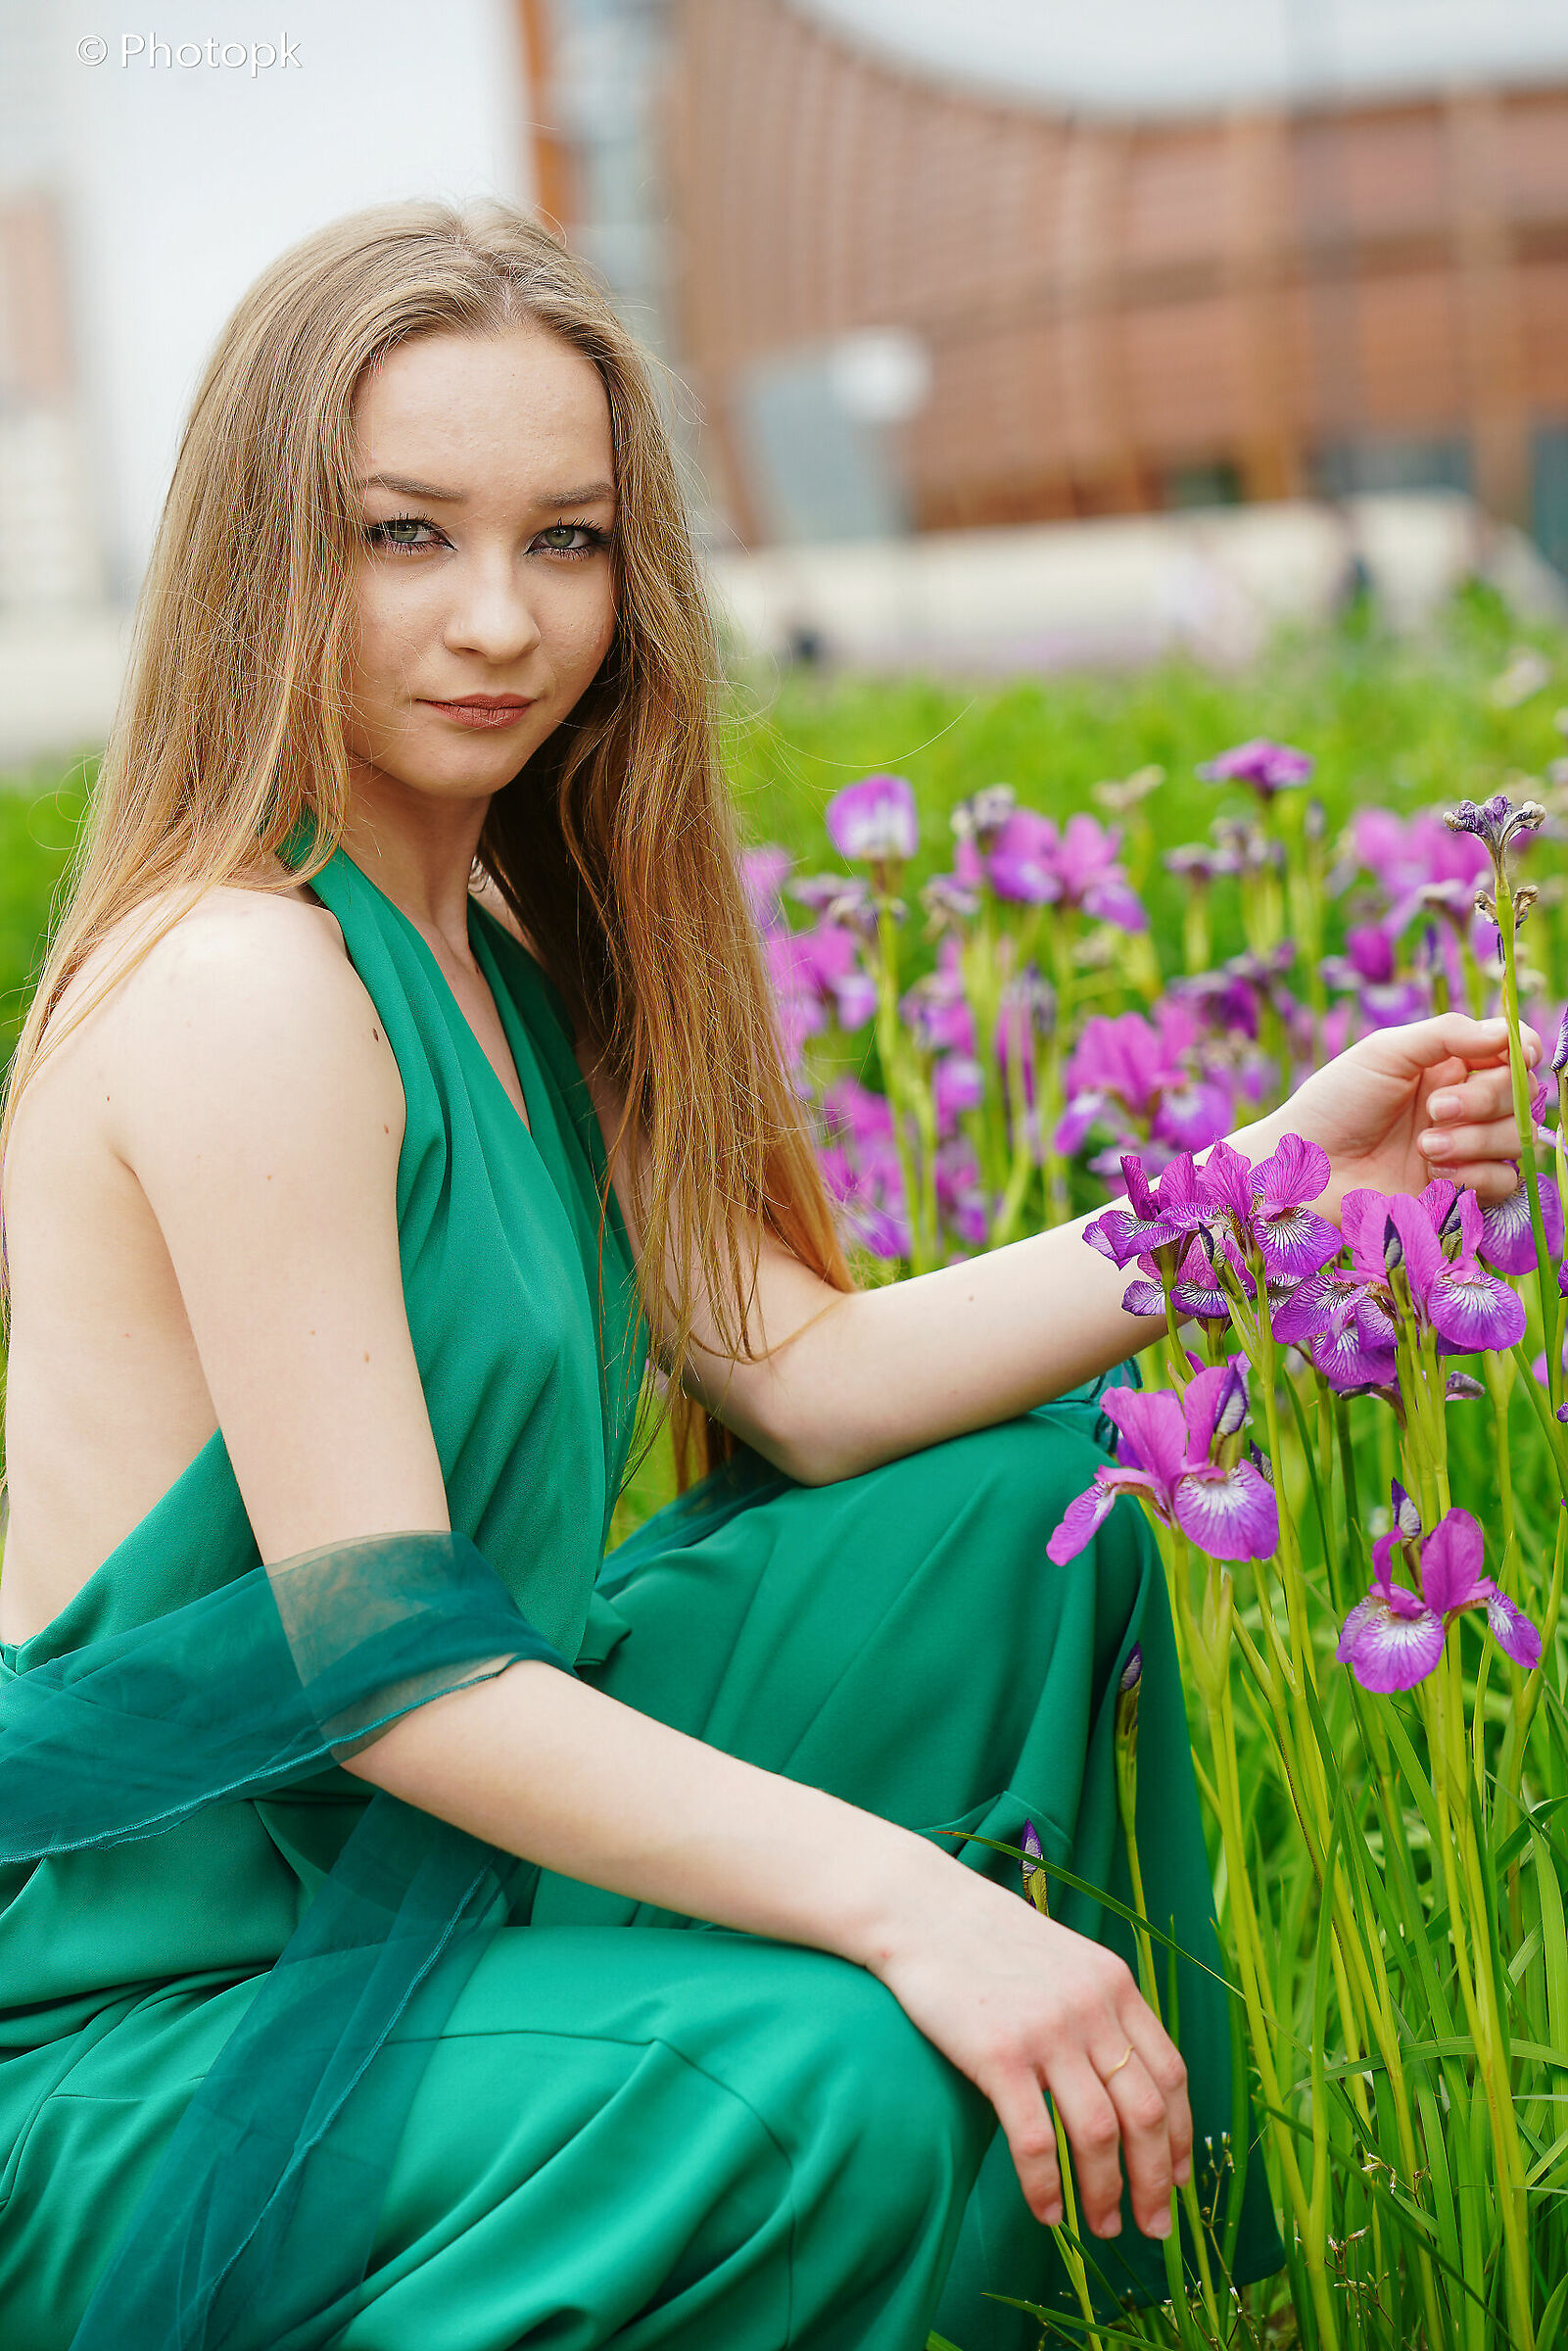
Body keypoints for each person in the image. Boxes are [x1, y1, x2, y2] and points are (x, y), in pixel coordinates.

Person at [0, 201, 1536, 2351]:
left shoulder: (510, 945)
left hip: (412, 1862)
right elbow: (381, 1667)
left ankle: (1105, 2196)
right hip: (169, 2002)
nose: (498, 621)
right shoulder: (240, 979)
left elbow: (801, 1372)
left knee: (1015, 1514)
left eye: (567, 542)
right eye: (402, 536)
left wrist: (1276, 1177)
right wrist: (920, 1912)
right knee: (856, 2079)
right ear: (269, 551)